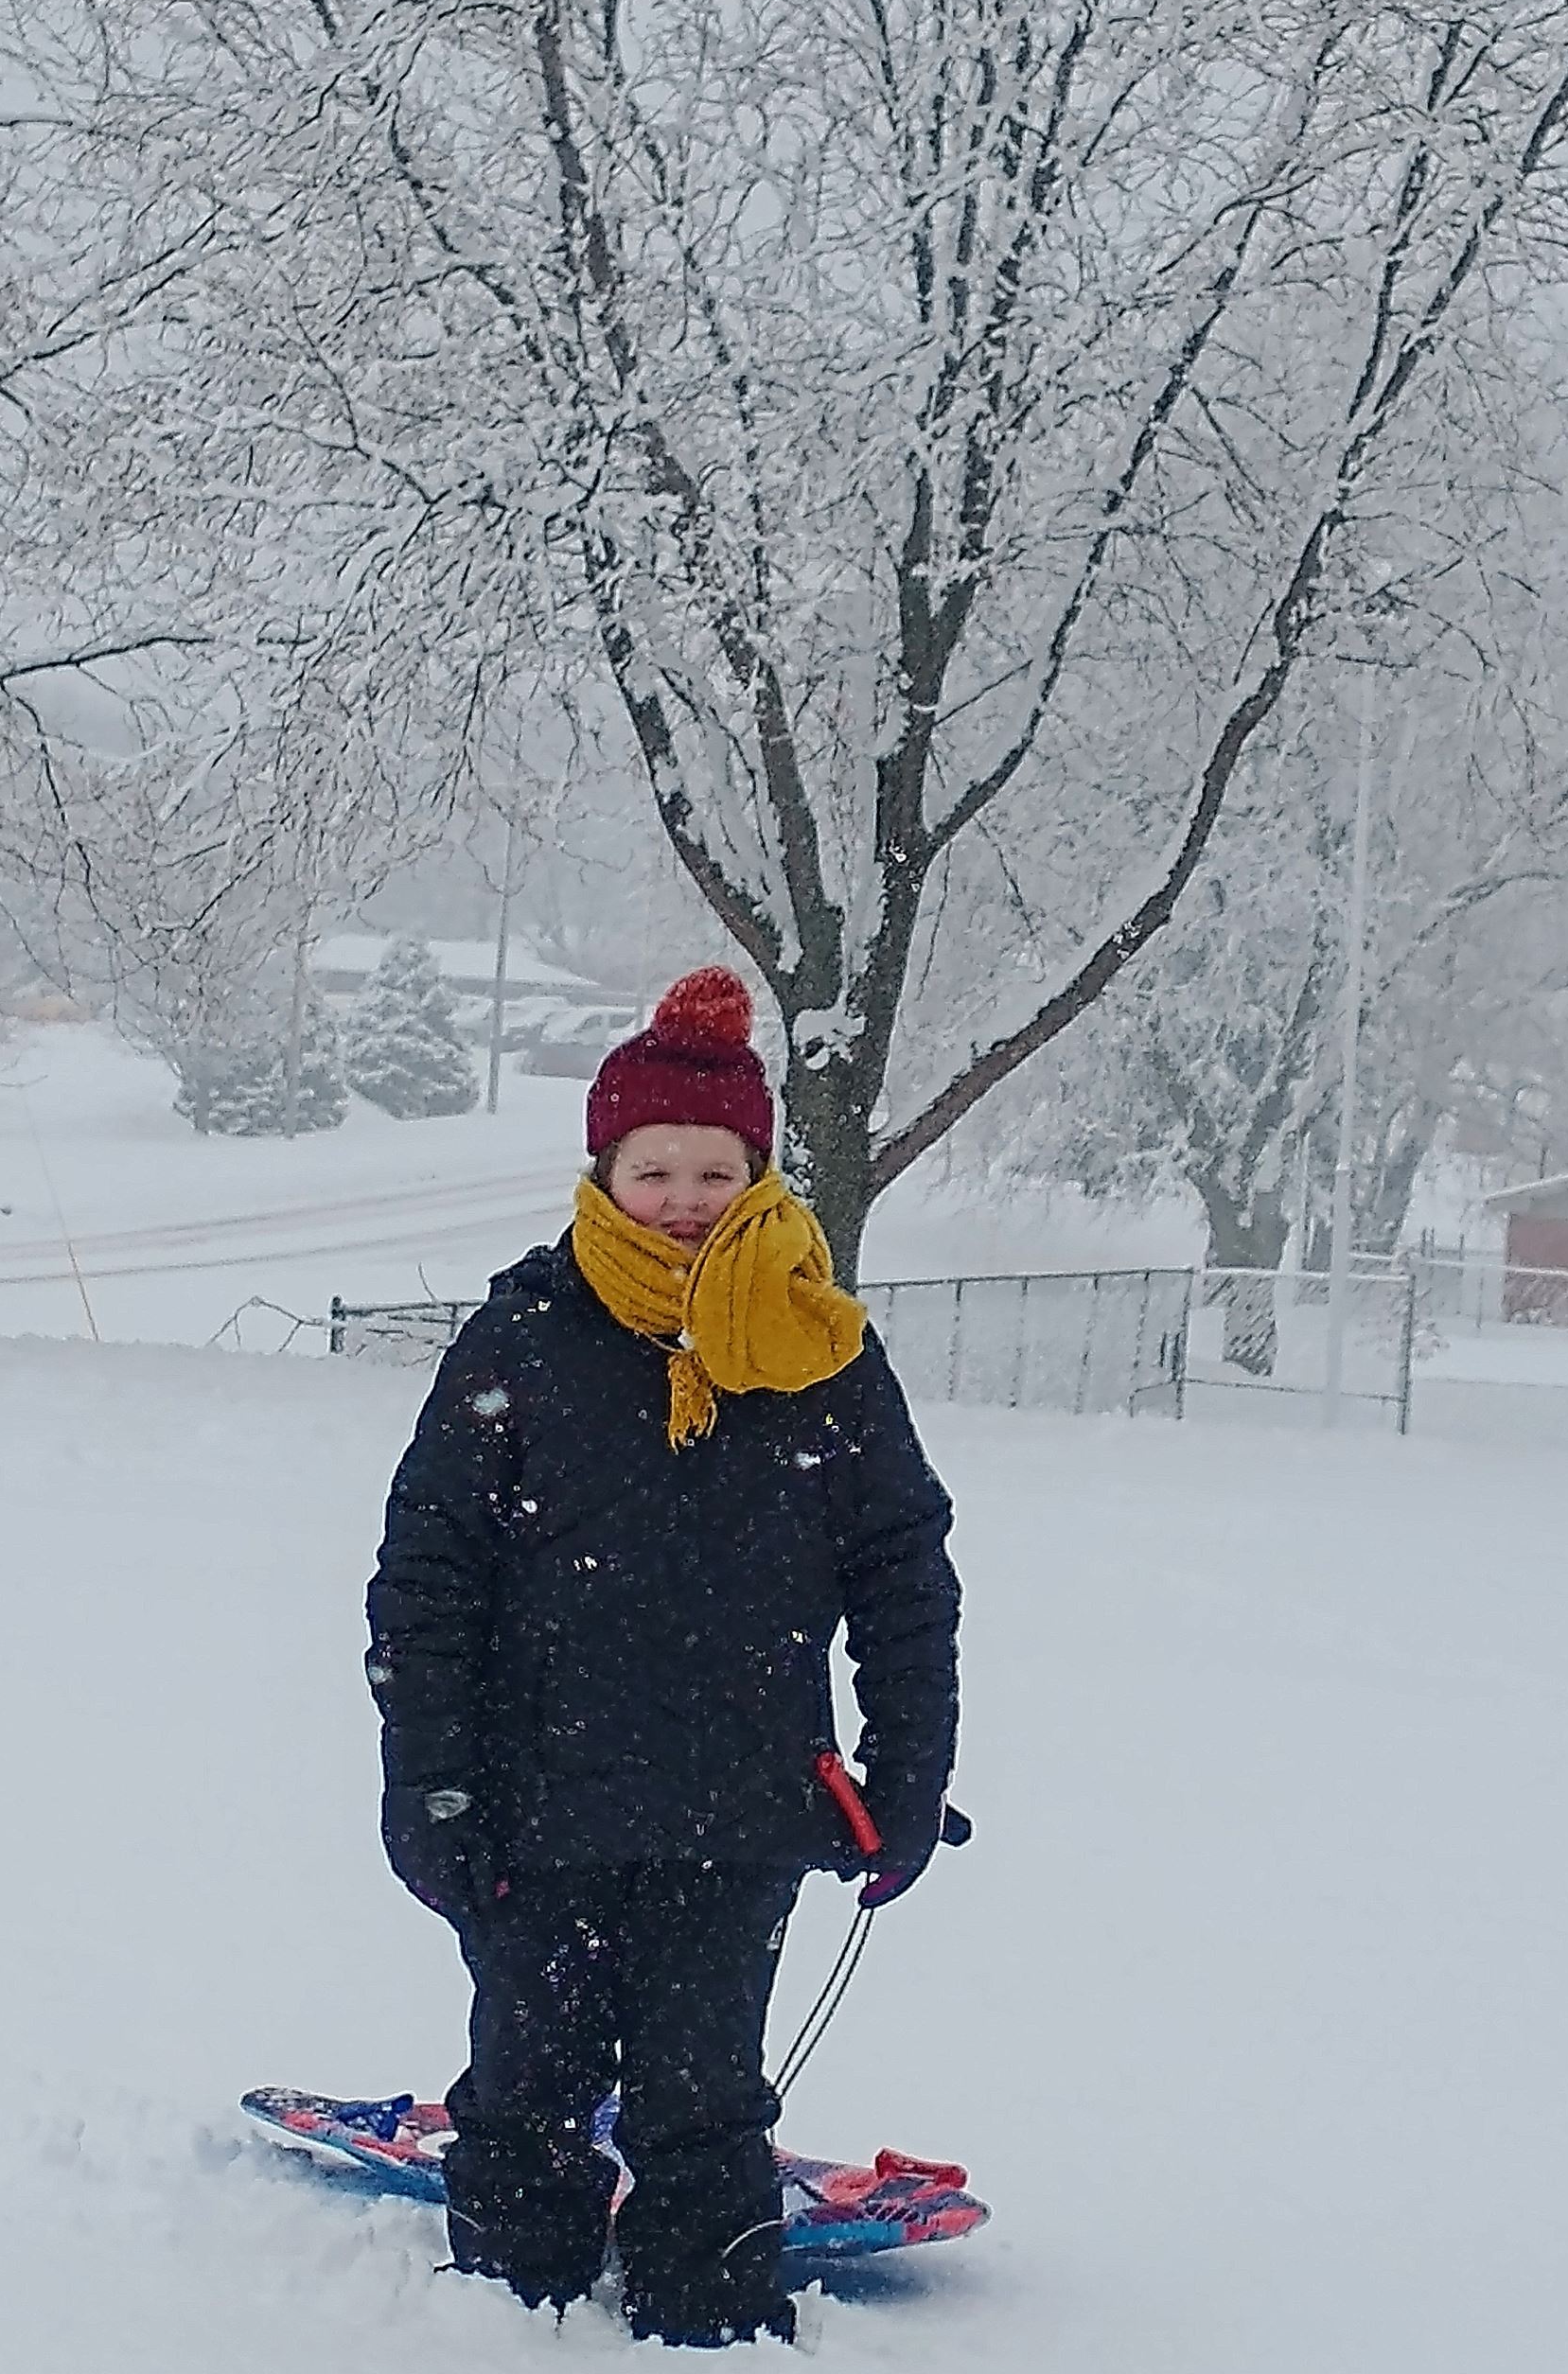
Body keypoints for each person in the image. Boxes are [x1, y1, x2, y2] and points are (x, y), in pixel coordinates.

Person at [365, 965, 963, 2348]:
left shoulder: (820, 1352)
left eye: (713, 1168)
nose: (684, 1196)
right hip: (535, 1802)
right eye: (654, 1168)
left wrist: (909, 1768)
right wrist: (432, 1785)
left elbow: (902, 1576)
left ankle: (711, 2323)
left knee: (705, 2092)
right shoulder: (522, 1336)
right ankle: (511, 2324)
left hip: (744, 1801)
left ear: (755, 1172)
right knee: (527, 2080)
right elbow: (428, 1580)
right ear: (604, 1170)